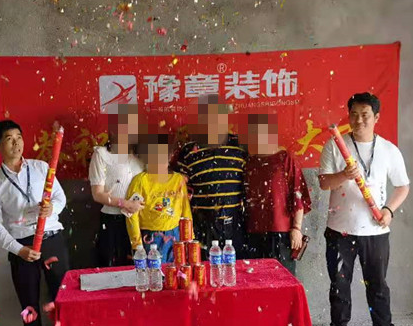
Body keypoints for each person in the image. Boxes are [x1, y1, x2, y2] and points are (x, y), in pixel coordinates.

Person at [319, 92, 410, 326]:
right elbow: (324, 183)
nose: (359, 120)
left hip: (376, 230)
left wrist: (388, 210)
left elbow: (403, 186)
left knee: (377, 284)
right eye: (354, 114)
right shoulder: (334, 145)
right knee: (340, 285)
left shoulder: (389, 150)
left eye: (365, 115)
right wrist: (344, 175)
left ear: (376, 117)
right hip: (340, 230)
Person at [0, 120, 70, 326]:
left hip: (52, 238)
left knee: (63, 297)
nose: (16, 143)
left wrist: (51, 208)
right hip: (22, 244)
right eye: (9, 139)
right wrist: (17, 249)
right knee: (28, 302)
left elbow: (60, 197)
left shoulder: (41, 167)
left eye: (19, 137)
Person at [172, 95, 247, 256]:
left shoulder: (240, 147)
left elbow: (250, 184)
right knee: (204, 269)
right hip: (201, 226)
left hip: (235, 224)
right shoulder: (189, 151)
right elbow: (179, 189)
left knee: (237, 268)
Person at [244, 114, 312, 274]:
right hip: (253, 233)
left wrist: (296, 228)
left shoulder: (285, 159)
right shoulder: (249, 163)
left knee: (282, 280)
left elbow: (298, 194)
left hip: (281, 232)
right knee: (257, 280)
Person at [88, 104, 145, 267]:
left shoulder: (141, 155)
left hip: (140, 220)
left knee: (138, 266)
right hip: (113, 220)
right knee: (112, 268)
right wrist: (125, 204)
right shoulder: (101, 154)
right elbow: (97, 194)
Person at [126, 134, 192, 262]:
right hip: (150, 237)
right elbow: (131, 215)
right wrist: (137, 244)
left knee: (174, 270)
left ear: (170, 156)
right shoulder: (140, 181)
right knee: (152, 271)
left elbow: (186, 211)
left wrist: (189, 237)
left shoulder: (178, 180)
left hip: (175, 235)